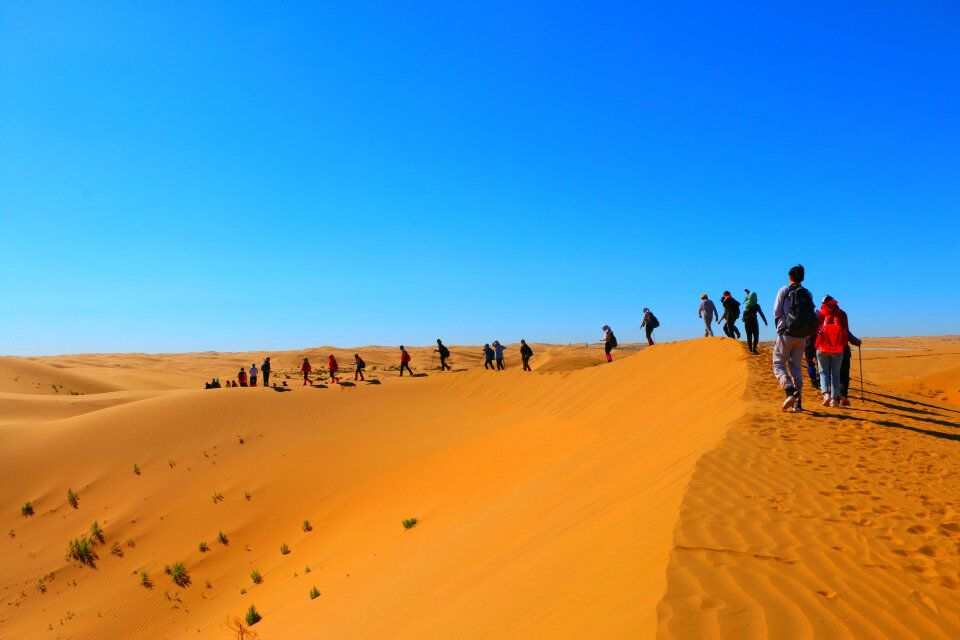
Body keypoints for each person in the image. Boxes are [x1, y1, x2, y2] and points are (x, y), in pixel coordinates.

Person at [773, 265, 818, 412]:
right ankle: (798, 403)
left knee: (778, 364)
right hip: (802, 335)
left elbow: (776, 312)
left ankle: (790, 390)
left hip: (785, 333)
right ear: (802, 278)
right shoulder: (808, 293)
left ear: (790, 277)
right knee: (796, 368)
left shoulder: (784, 291)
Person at [815, 295, 851, 407]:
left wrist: (813, 349)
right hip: (839, 349)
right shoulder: (841, 314)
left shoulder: (820, 314)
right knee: (835, 375)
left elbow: (815, 333)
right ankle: (835, 400)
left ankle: (826, 395)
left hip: (822, 348)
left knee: (823, 373)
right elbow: (846, 332)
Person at [741, 290, 768, 354]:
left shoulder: (746, 304)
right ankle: (754, 350)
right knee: (756, 336)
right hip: (754, 322)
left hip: (747, 323)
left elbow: (748, 297)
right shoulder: (756, 305)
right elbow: (761, 314)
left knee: (749, 336)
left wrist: (748, 293)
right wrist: (765, 321)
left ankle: (750, 350)